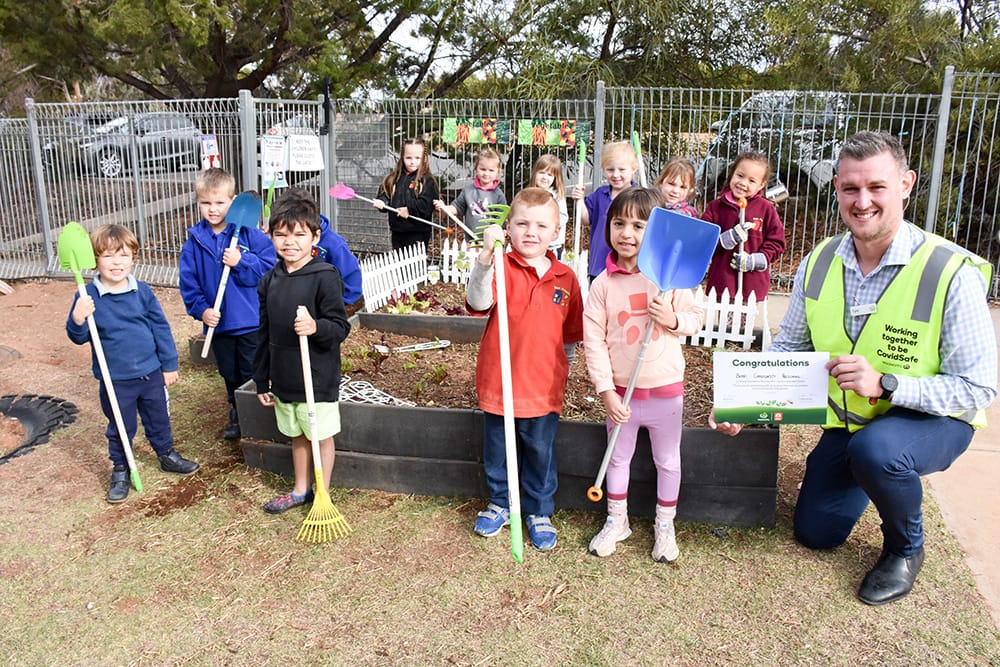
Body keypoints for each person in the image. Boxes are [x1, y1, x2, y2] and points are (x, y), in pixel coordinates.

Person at [711, 131, 997, 606]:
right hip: (853, 422)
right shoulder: (820, 261)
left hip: (934, 420)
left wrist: (887, 385)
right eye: (850, 189)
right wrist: (744, 404)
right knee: (816, 533)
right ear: (838, 190)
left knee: (879, 452)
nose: (862, 202)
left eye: (876, 187)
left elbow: (977, 388)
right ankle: (873, 470)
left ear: (905, 185)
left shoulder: (951, 272)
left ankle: (906, 547)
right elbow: (790, 348)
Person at [583, 187, 705, 562]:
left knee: (668, 461)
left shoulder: (671, 279)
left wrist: (672, 319)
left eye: (639, 225)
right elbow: (594, 342)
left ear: (656, 232)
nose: (626, 233)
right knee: (617, 460)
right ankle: (617, 521)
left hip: (666, 392)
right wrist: (606, 392)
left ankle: (665, 526)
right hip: (622, 395)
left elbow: (696, 319)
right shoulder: (602, 285)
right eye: (619, 223)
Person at [465, 187, 584, 551]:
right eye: (522, 224)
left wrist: (562, 369)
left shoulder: (565, 278)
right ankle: (501, 502)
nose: (531, 232)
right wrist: (486, 258)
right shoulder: (500, 264)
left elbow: (570, 335)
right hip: (499, 381)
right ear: (508, 228)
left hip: (542, 386)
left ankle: (538, 510)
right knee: (498, 451)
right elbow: (477, 302)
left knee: (539, 451)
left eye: (541, 225)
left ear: (556, 232)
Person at [67, 224, 199, 503]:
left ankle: (166, 454)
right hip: (115, 378)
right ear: (95, 260)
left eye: (124, 255)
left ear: (134, 258)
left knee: (158, 418)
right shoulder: (87, 297)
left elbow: (160, 328)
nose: (117, 262)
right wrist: (78, 318)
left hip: (150, 372)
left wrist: (169, 364)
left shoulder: (142, 292)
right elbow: (78, 337)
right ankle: (121, 469)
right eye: (108, 256)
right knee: (120, 425)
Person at [253, 193, 351, 514]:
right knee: (297, 435)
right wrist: (261, 379)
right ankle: (300, 489)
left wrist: (315, 327)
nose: (289, 242)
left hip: (318, 377)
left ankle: (323, 492)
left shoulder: (325, 277)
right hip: (284, 376)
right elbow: (264, 332)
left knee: (320, 435)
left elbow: (339, 327)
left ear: (315, 237)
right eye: (280, 234)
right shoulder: (269, 281)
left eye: (299, 234)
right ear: (270, 236)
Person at [179, 168, 277, 440]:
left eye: (219, 203)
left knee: (252, 371)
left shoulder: (248, 236)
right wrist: (202, 310)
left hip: (248, 321)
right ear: (198, 202)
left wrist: (241, 261)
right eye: (206, 203)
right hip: (219, 325)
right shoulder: (194, 243)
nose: (212, 209)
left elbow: (269, 269)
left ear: (232, 201)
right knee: (229, 372)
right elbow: (190, 286)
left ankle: (256, 415)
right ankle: (236, 411)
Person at [701, 151, 786, 303]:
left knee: (743, 325)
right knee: (725, 325)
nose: (743, 183)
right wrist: (727, 238)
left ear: (761, 185)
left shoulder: (766, 209)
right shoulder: (716, 207)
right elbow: (704, 239)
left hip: (751, 284)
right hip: (723, 280)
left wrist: (756, 260)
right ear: (732, 174)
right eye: (740, 175)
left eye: (752, 181)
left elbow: (777, 242)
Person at [274, 187, 363, 307]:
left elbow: (351, 281)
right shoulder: (281, 241)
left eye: (299, 233)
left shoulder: (335, 245)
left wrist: (338, 306)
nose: (290, 241)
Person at [570, 141, 638, 282]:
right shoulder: (600, 195)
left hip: (628, 266)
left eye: (622, 170)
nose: (616, 174)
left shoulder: (639, 197)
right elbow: (585, 219)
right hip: (599, 265)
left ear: (634, 169)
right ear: (603, 169)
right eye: (610, 170)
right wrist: (580, 201)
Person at [374, 137, 441, 251]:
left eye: (417, 158)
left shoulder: (427, 180)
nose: (412, 161)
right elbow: (386, 194)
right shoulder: (393, 178)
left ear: (424, 158)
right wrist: (382, 202)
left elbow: (427, 205)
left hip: (417, 232)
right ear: (402, 157)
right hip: (397, 231)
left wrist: (409, 210)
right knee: (401, 263)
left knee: (414, 265)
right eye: (408, 157)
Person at [435, 147, 507, 240]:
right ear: (476, 168)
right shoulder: (468, 191)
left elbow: (502, 218)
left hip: (490, 240)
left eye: (491, 170)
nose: (486, 173)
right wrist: (444, 207)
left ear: (498, 172)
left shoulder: (498, 195)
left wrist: (502, 230)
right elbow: (457, 208)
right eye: (483, 169)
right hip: (471, 239)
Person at [528, 154, 569, 258]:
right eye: (541, 172)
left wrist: (547, 223)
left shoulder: (557, 196)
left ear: (555, 178)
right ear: (535, 173)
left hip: (552, 245)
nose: (544, 177)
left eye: (549, 175)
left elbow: (563, 218)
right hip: (533, 242)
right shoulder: (528, 194)